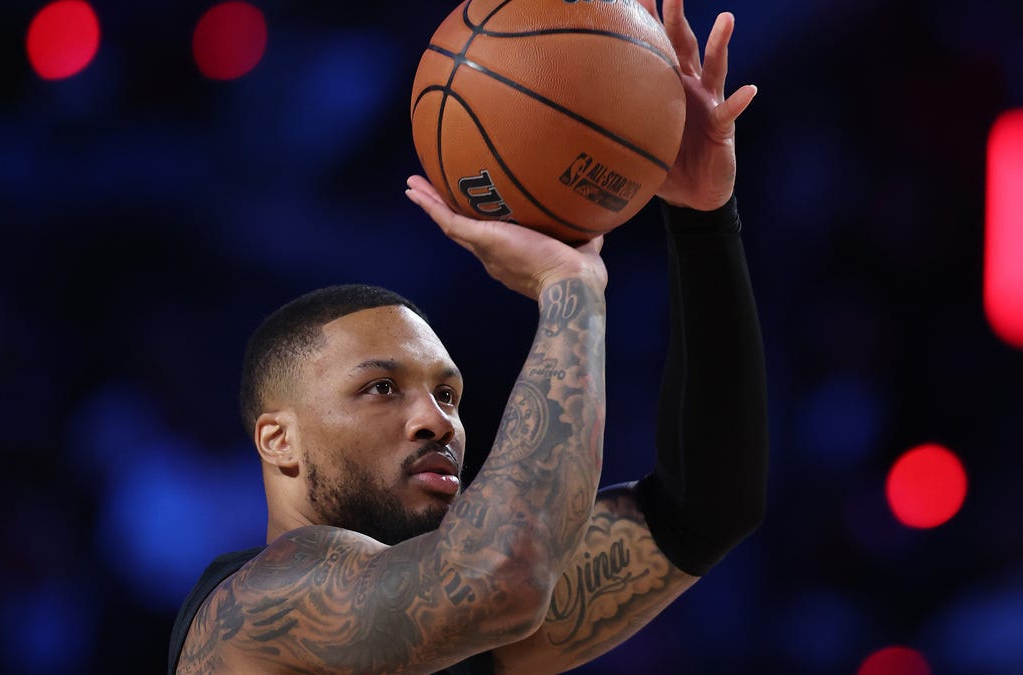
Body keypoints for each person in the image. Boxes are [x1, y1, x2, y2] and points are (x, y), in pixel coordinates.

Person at [168, 0, 767, 672]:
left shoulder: (451, 625)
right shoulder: (251, 608)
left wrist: (702, 219)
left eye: (448, 394)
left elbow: (706, 508)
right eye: (381, 387)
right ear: (280, 439)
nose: (434, 419)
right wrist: (570, 290)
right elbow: (500, 578)